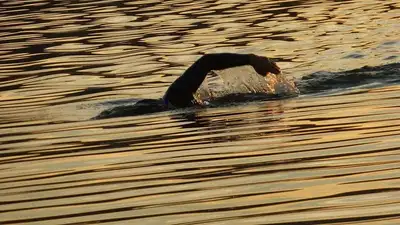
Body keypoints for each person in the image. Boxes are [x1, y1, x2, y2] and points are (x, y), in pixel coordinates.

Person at [94, 53, 281, 119]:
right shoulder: (178, 98)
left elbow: (208, 61)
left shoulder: (177, 97)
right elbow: (208, 61)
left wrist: (251, 60)